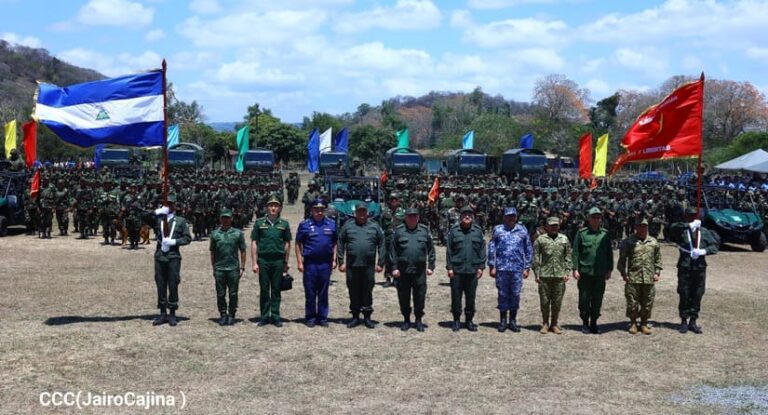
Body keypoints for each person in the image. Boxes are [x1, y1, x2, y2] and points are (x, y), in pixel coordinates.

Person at [669, 207, 719, 334]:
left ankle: (693, 321)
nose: (692, 218)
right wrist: (688, 225)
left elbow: (715, 246)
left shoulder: (704, 232)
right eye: (689, 216)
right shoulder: (682, 231)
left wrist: (704, 251)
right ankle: (684, 321)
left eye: (694, 216)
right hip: (685, 267)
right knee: (684, 292)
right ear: (686, 217)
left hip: (699, 267)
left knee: (697, 293)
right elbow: (672, 228)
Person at [337, 202, 385, 329]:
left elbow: (381, 244)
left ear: (367, 213)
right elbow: (340, 242)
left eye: (364, 211)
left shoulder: (374, 226)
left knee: (367, 290)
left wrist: (380, 262)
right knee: (353, 290)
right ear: (355, 213)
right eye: (359, 211)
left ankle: (367, 317)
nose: (362, 214)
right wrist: (341, 262)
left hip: (368, 265)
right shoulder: (348, 226)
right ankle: (355, 316)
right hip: (352, 265)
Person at [390, 207, 436, 332]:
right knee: (403, 296)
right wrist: (393, 268)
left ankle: (418, 320)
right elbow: (392, 251)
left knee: (420, 296)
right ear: (405, 218)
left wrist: (431, 266)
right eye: (409, 216)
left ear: (418, 218)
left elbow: (431, 249)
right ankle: (406, 319)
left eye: (414, 216)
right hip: (403, 271)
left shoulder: (424, 231)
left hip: (420, 271)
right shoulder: (399, 231)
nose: (412, 218)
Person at [487, 207, 532, 333]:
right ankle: (502, 321)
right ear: (504, 217)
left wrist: (527, 267)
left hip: (517, 269)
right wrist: (491, 266)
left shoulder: (522, 230)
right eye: (508, 216)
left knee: (515, 294)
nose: (511, 218)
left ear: (516, 217)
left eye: (513, 216)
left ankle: (513, 320)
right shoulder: (498, 230)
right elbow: (492, 248)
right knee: (502, 294)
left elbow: (528, 249)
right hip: (502, 268)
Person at [251, 195, 292, 327]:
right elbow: (254, 243)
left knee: (276, 290)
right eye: (270, 205)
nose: (273, 208)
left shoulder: (284, 224)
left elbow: (287, 244)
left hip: (278, 261)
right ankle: (264, 316)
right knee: (264, 289)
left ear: (279, 208)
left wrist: (285, 263)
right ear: (266, 208)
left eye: (275, 206)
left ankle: (275, 315)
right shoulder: (259, 223)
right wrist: (254, 262)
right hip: (263, 260)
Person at [295, 199, 337, 327]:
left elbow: (335, 242)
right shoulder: (305, 225)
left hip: (325, 263)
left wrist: (334, 259)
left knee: (323, 292)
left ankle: (323, 317)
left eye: (321, 209)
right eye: (316, 209)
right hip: (310, 264)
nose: (319, 212)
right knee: (310, 291)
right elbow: (298, 243)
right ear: (311, 210)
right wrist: (299, 261)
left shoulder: (331, 224)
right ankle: (311, 317)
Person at [572, 207, 614, 334]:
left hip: (600, 273)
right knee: (584, 299)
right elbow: (575, 252)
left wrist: (609, 269)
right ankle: (585, 322)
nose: (596, 220)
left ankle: (594, 322)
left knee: (597, 298)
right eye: (593, 217)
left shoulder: (605, 234)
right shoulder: (582, 233)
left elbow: (609, 253)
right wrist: (575, 269)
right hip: (585, 272)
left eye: (598, 217)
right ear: (588, 219)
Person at [152, 194, 192, 327]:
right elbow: (144, 217)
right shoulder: (158, 219)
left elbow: (187, 238)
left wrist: (174, 241)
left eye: (171, 204)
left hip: (173, 256)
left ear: (175, 206)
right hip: (160, 256)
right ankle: (162, 312)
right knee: (160, 283)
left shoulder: (180, 221)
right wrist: (156, 212)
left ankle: (172, 312)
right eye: (166, 204)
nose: (168, 206)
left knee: (173, 283)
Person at [617, 218, 662, 335]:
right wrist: (623, 274)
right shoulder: (628, 242)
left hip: (649, 277)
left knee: (648, 302)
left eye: (645, 226)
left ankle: (644, 323)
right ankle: (633, 323)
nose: (643, 229)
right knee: (632, 302)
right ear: (636, 227)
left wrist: (657, 272)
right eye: (640, 226)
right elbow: (622, 260)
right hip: (633, 277)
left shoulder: (653, 242)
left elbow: (658, 259)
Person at [445, 206, 486, 332]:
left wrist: (481, 267)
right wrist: (450, 268)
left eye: (469, 215)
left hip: (472, 270)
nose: (467, 217)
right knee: (456, 297)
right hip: (457, 270)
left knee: (470, 297)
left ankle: (469, 320)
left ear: (472, 217)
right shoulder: (454, 231)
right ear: (460, 217)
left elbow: (482, 250)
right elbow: (449, 250)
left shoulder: (478, 231)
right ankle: (456, 320)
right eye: (464, 215)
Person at [532, 216, 572, 335]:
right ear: (546, 227)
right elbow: (535, 257)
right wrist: (537, 273)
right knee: (544, 301)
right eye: (552, 225)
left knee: (557, 301)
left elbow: (568, 256)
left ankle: (554, 323)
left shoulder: (564, 239)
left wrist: (567, 272)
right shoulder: (540, 240)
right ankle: (545, 323)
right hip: (544, 275)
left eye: (556, 225)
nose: (554, 227)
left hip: (559, 275)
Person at [210, 208, 247, 326]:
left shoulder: (238, 233)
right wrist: (214, 268)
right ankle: (222, 314)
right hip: (220, 268)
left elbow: (243, 251)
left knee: (233, 293)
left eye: (227, 218)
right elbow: (212, 252)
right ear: (220, 219)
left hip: (233, 268)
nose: (225, 220)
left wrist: (242, 267)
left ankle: (232, 314)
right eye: (223, 218)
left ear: (231, 219)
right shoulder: (215, 234)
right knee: (220, 293)